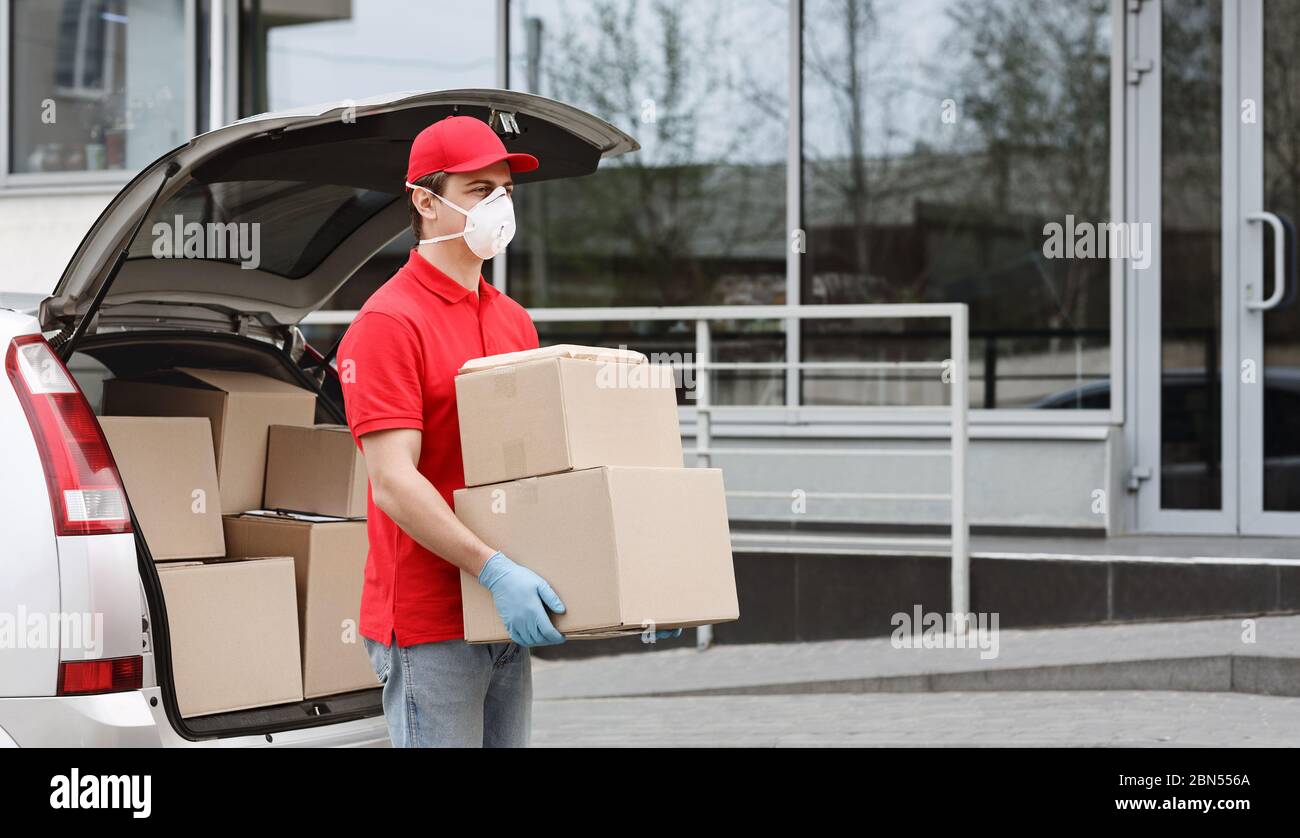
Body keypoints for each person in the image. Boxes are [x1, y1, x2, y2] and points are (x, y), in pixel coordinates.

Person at [338, 115, 678, 749]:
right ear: (424, 201)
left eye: (505, 190)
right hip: (430, 620)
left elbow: (537, 475)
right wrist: (494, 569)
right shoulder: (388, 322)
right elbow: (392, 482)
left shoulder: (513, 321)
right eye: (477, 189)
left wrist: (641, 578)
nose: (497, 204)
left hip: (502, 612)